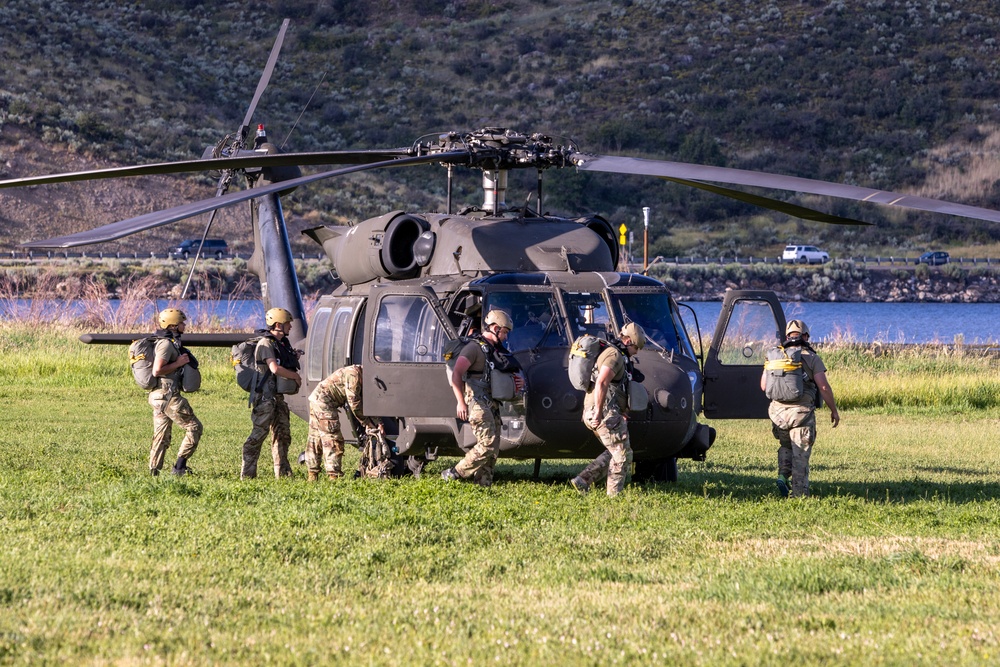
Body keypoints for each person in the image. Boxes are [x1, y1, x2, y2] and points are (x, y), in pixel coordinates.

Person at [441, 309, 522, 487]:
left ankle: (483, 484)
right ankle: (454, 474)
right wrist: (460, 402)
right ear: (494, 328)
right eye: (505, 332)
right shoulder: (473, 348)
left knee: (493, 448)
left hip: (490, 402)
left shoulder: (492, 350)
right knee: (487, 443)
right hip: (477, 402)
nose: (506, 337)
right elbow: (457, 374)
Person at [760, 319, 840, 498]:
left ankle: (782, 476)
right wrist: (833, 410)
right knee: (800, 456)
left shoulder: (775, 356)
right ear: (806, 336)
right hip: (801, 414)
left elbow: (764, 386)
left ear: (787, 336)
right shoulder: (812, 358)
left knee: (786, 446)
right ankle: (799, 496)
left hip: (778, 414)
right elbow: (824, 387)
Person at [570, 321, 646, 497]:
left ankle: (583, 480)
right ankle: (613, 497)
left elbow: (614, 388)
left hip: (605, 412)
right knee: (622, 456)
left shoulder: (618, 355)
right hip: (602, 412)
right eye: (636, 347)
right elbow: (602, 381)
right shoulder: (614, 355)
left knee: (617, 450)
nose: (636, 352)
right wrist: (599, 412)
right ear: (628, 342)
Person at [240, 307, 302, 479]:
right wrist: (295, 376)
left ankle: (283, 474)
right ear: (278, 325)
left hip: (277, 397)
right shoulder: (266, 344)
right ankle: (247, 474)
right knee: (258, 434)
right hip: (265, 398)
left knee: (282, 434)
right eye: (287, 323)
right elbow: (274, 368)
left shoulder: (281, 343)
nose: (290, 326)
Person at [148, 308, 202, 476]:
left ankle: (154, 472)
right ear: (173, 325)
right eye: (181, 322)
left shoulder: (169, 342)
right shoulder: (165, 344)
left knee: (161, 435)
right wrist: (179, 362)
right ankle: (179, 467)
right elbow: (157, 370)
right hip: (169, 396)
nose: (184, 325)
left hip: (160, 397)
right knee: (194, 427)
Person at [305, 364, 381, 481]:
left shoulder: (356, 372)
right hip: (324, 403)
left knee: (315, 438)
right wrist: (367, 423)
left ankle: (312, 474)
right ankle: (333, 476)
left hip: (316, 399)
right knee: (332, 438)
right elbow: (354, 404)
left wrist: (378, 421)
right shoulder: (353, 376)